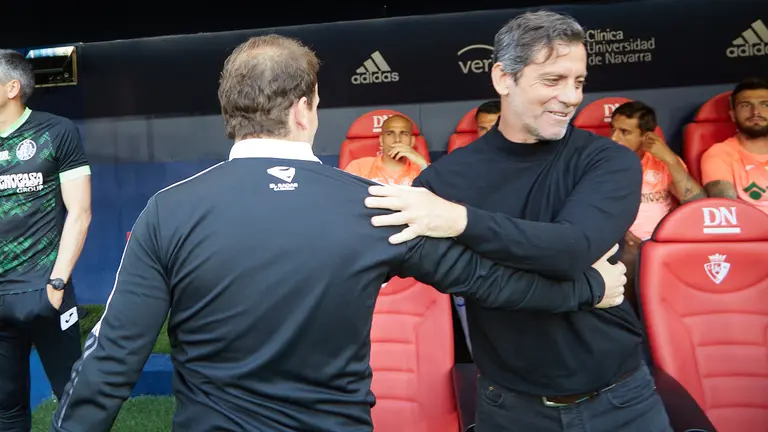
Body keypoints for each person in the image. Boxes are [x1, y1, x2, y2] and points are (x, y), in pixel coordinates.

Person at [50, 34, 627, 432]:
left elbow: (110, 362)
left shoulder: (169, 210)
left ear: (231, 111)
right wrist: (587, 290)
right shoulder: (374, 204)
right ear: (306, 110)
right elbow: (486, 282)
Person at [365, 11, 672, 432]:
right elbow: (473, 279)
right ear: (503, 78)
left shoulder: (607, 161)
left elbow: (571, 249)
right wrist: (588, 287)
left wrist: (458, 220)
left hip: (619, 403)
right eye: (552, 80)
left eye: (578, 82)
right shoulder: (442, 181)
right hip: (510, 410)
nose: (570, 97)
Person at [0, 50, 92, 431]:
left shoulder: (55, 131)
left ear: (12, 88)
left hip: (46, 293)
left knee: (76, 404)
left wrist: (56, 284)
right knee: (6, 409)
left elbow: (80, 212)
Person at [609, 101, 705, 308]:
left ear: (646, 137)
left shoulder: (663, 161)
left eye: (624, 132)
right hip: (625, 245)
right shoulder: (604, 163)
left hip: (662, 241)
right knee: (629, 254)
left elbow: (697, 203)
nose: (614, 138)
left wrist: (670, 160)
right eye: (613, 130)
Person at [701, 77, 768, 214]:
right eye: (745, 105)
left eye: (765, 104)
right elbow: (728, 212)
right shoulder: (719, 154)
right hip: (753, 232)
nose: (756, 112)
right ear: (733, 115)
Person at [343, 114, 427, 186]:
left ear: (412, 141)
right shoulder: (359, 167)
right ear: (381, 140)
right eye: (390, 134)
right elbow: (344, 198)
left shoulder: (424, 168)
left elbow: (436, 200)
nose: (397, 139)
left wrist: (423, 165)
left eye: (404, 134)